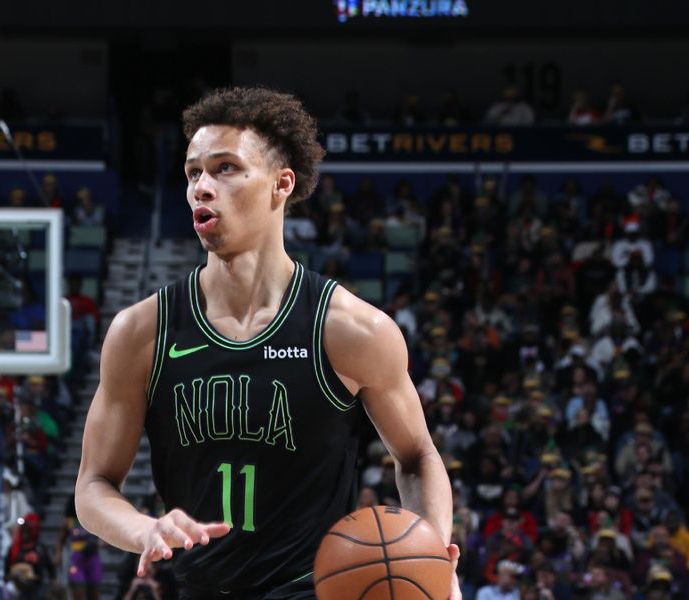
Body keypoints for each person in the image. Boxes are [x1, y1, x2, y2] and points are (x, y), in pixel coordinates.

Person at [75, 86, 460, 599]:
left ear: (282, 185)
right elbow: (94, 485)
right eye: (193, 173)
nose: (201, 187)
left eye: (225, 168)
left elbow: (416, 456)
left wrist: (430, 548)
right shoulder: (141, 332)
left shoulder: (350, 329)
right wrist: (143, 529)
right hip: (198, 589)